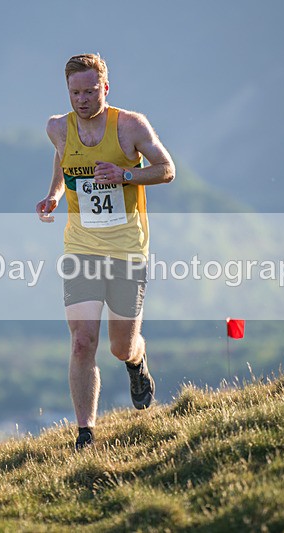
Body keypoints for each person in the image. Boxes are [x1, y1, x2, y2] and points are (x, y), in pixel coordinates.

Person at [35, 53, 175, 450]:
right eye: (75, 92)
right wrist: (53, 195)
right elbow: (63, 159)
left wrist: (125, 174)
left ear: (106, 88)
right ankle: (85, 433)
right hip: (81, 248)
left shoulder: (130, 126)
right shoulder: (57, 127)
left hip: (127, 249)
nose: (82, 100)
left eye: (90, 91)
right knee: (82, 341)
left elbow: (167, 169)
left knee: (120, 346)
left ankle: (136, 359)